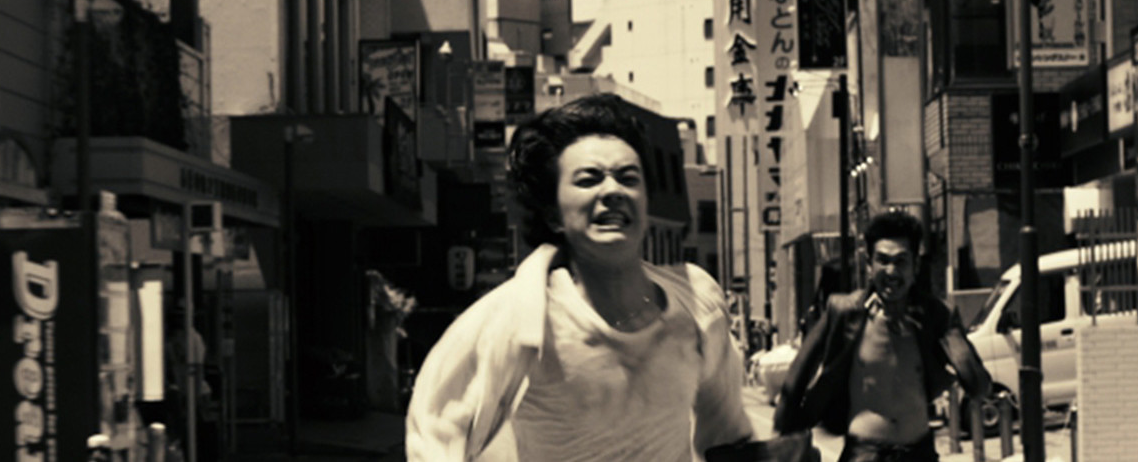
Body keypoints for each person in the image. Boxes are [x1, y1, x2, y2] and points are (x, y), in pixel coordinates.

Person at [406, 93, 753, 461]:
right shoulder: (511, 323)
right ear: (553, 215)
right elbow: (433, 440)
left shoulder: (696, 301)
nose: (613, 191)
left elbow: (727, 435)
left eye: (628, 178)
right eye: (589, 179)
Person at [773, 211, 991, 462]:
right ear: (869, 265)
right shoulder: (844, 312)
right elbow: (800, 371)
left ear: (915, 266)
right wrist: (787, 432)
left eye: (901, 261)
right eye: (883, 261)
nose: (891, 271)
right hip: (865, 454)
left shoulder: (935, 315)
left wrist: (956, 347)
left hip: (918, 454)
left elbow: (979, 385)